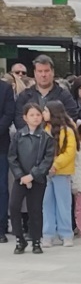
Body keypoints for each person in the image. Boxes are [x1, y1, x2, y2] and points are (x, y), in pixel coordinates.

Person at [7, 103, 54, 255]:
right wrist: (21, 175)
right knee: (14, 207)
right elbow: (12, 157)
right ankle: (20, 239)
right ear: (25, 118)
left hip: (37, 179)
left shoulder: (46, 137)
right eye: (32, 115)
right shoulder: (18, 135)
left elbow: (47, 160)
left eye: (38, 114)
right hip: (20, 179)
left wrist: (32, 175)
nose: (35, 118)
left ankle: (36, 240)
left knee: (35, 210)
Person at [41, 100, 77, 247]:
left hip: (62, 173)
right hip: (46, 173)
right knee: (47, 204)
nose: (43, 113)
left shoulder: (68, 131)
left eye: (45, 111)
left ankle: (66, 234)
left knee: (63, 204)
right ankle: (48, 234)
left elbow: (70, 152)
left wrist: (55, 164)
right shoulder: (44, 130)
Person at [14, 54, 77, 128]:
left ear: (52, 72)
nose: (43, 75)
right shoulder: (24, 96)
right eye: (40, 71)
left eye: (46, 71)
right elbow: (19, 119)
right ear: (35, 73)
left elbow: (71, 116)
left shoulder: (64, 95)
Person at [0, 73, 15, 241]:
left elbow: (9, 114)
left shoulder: (5, 89)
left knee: (2, 188)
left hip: (1, 146)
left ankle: (1, 227)